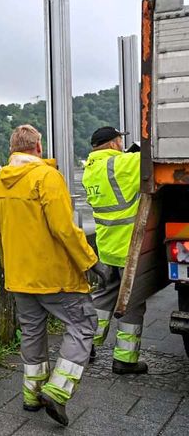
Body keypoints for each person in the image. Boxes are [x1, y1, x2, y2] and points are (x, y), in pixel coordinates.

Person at [0, 125, 105, 427]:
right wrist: (90, 261)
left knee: (32, 331)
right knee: (82, 325)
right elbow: (64, 229)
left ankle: (32, 394)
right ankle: (58, 390)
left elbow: (0, 233)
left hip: (19, 276)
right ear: (38, 147)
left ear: (12, 149)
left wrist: (9, 270)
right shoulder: (47, 178)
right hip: (54, 275)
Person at [82, 126, 147, 374]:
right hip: (128, 248)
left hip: (106, 247)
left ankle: (86, 345)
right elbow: (152, 158)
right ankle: (125, 359)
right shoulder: (120, 164)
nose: (122, 145)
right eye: (120, 141)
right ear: (112, 144)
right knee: (132, 302)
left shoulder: (89, 170)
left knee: (105, 296)